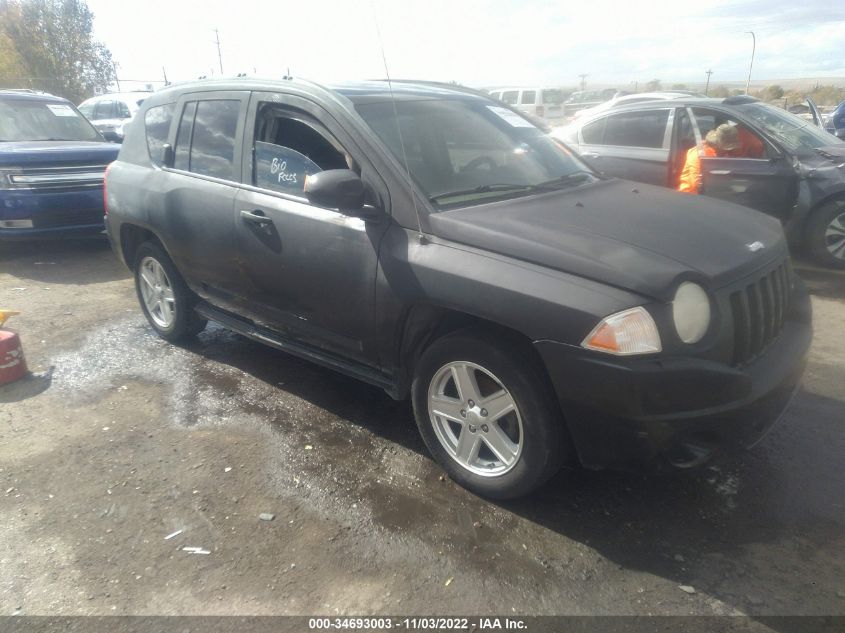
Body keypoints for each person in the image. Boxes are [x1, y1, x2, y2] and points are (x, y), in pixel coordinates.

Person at [678, 123, 761, 194]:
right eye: (726, 148)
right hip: (691, 196)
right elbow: (696, 183)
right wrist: (726, 185)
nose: (728, 151)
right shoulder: (697, 154)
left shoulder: (720, 152)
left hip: (711, 194)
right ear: (717, 144)